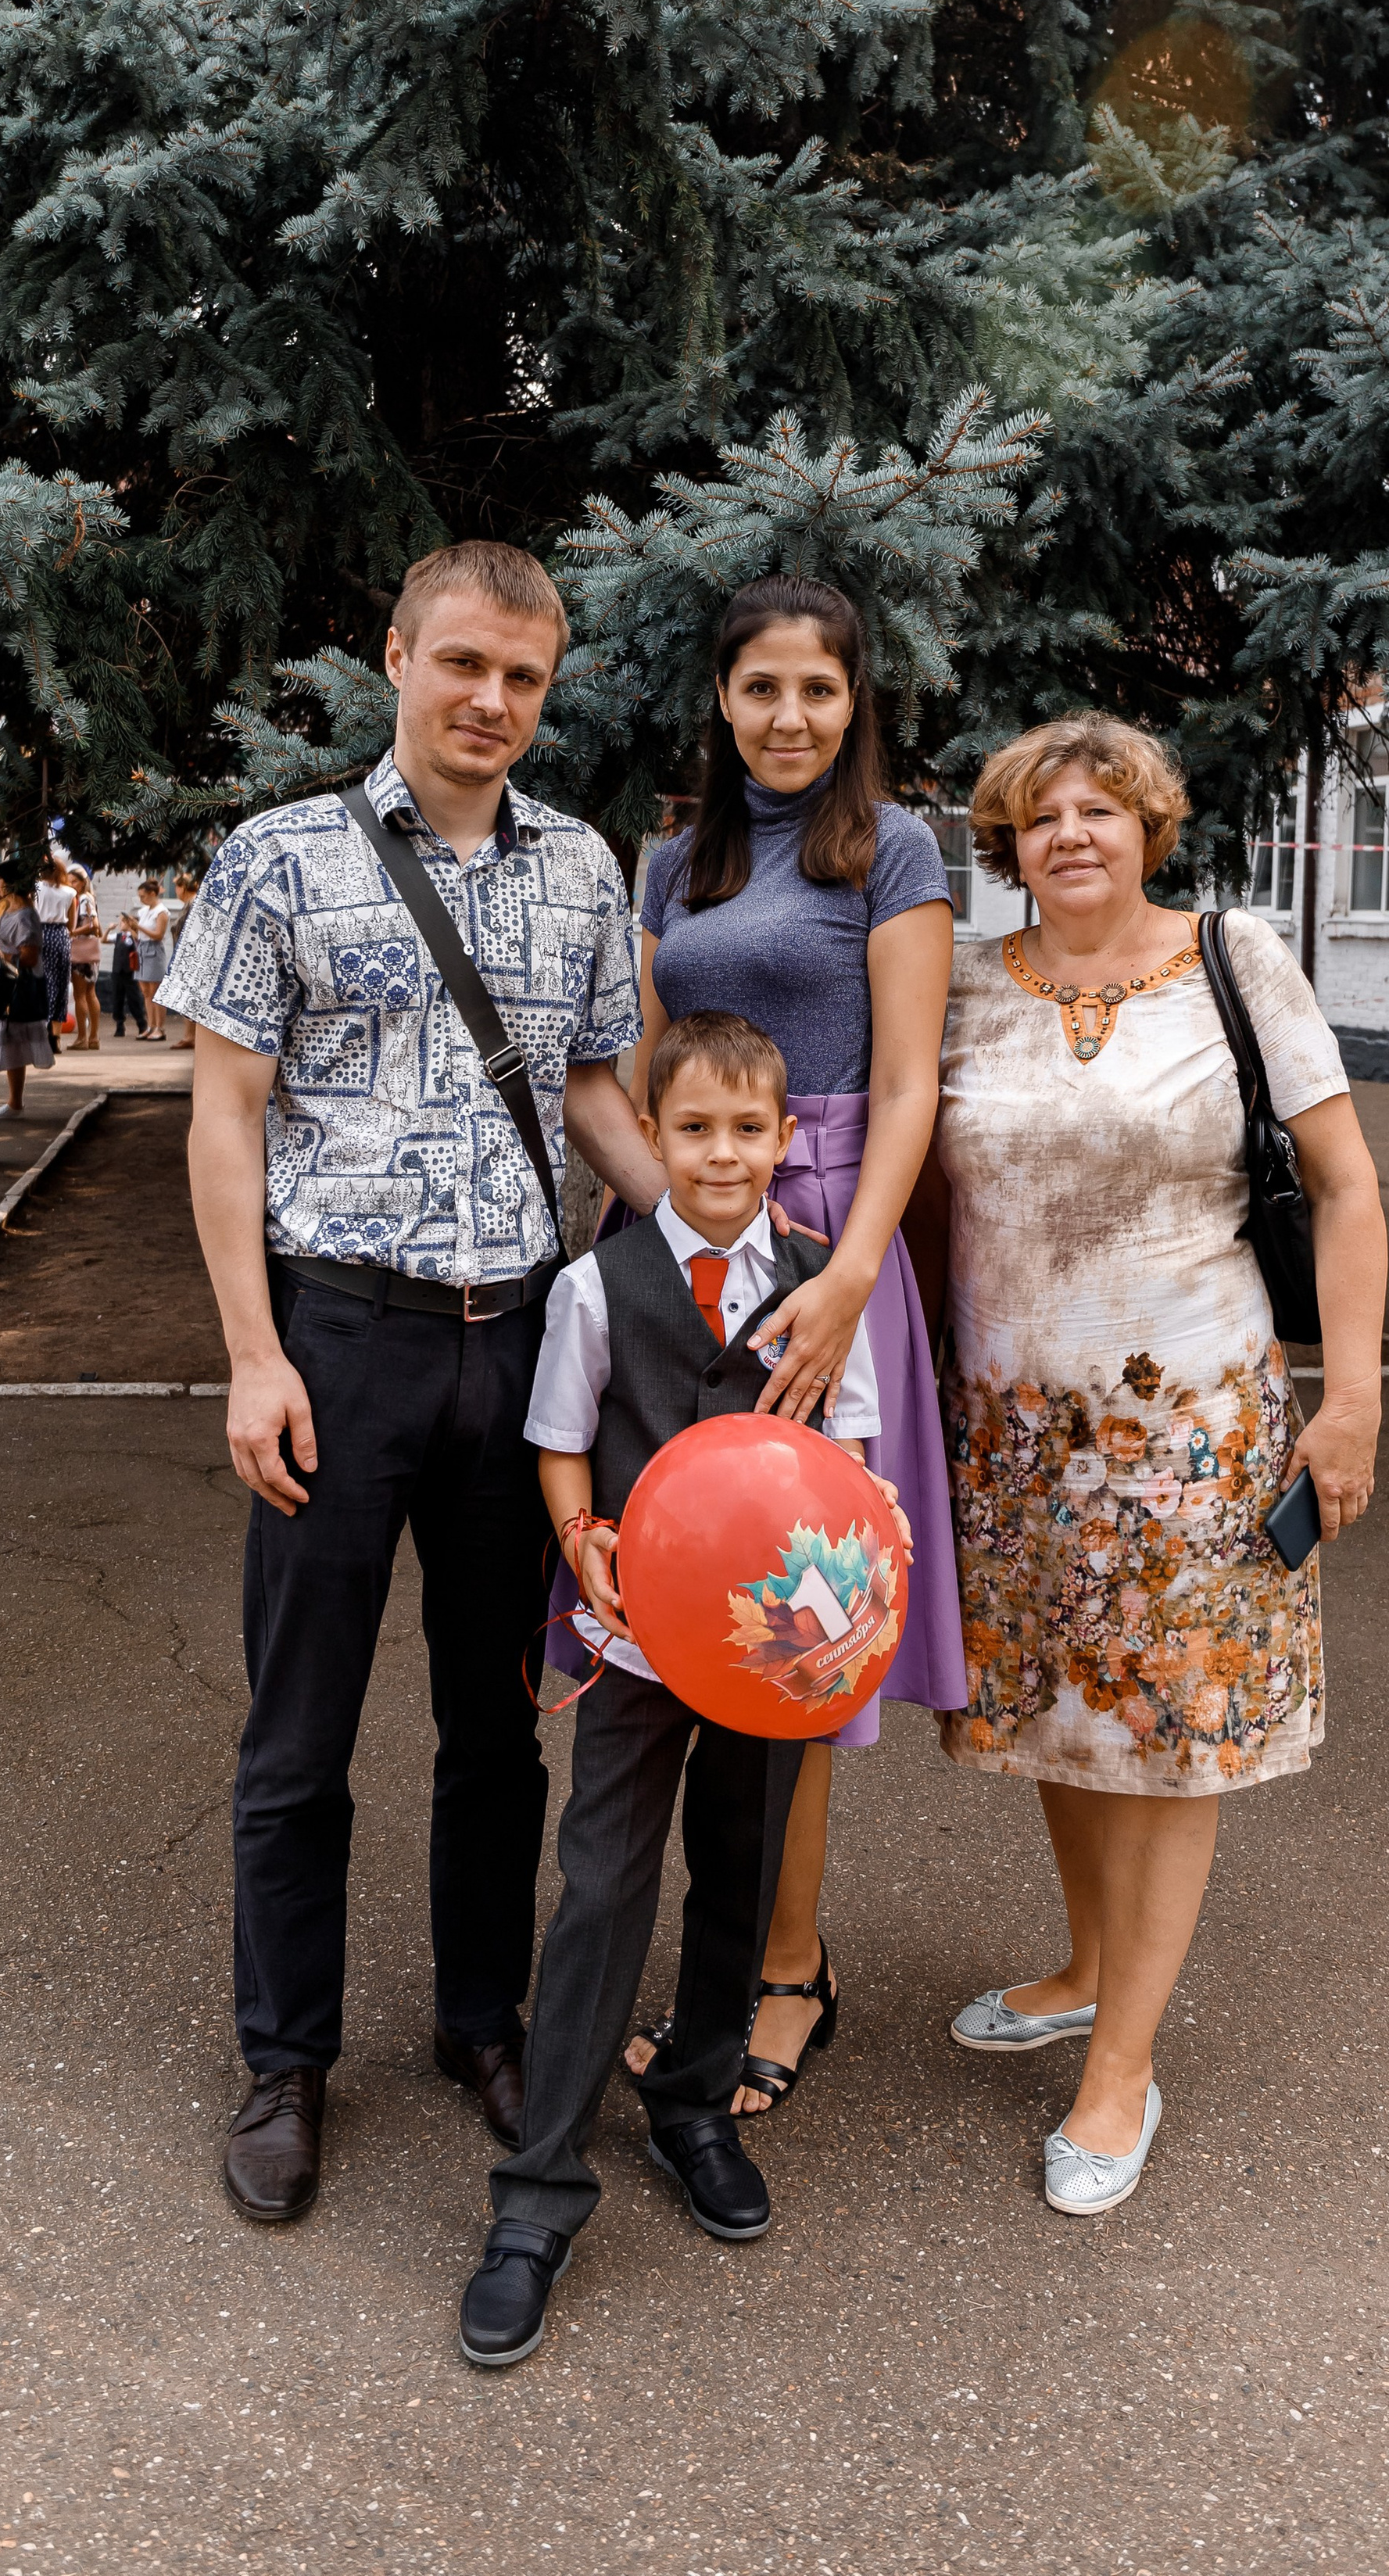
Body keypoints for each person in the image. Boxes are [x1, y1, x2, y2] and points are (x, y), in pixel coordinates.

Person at [165, 538, 662, 2226]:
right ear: (397, 657)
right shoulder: (277, 859)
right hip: (338, 1341)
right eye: (463, 663)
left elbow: (589, 1094)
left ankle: (480, 2022)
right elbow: (225, 1117)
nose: (491, 700)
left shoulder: (582, 867)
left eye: (523, 676)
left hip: (515, 1349)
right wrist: (252, 1357)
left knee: (494, 1730)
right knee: (298, 1730)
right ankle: (284, 2060)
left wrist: (725, 1252)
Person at [930, 716, 1387, 2216]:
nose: (1072, 833)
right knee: (1057, 1714)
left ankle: (1123, 2065)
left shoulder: (1235, 961)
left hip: (1195, 1434)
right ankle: (1083, 1970)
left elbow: (1346, 1187)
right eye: (1043, 814)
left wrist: (1353, 1400)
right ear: (1009, 841)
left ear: (1150, 829)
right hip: (1009, 1439)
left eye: (1102, 809)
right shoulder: (965, 987)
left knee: (1175, 1734)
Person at [461, 1009, 901, 2368]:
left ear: (785, 1138)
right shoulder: (601, 1287)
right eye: (695, 1129)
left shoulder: (822, 1282)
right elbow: (559, 1439)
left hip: (773, 1651)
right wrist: (582, 1537)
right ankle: (539, 2193)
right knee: (604, 1883)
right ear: (652, 1137)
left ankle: (695, 2102)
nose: (722, 1154)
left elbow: (854, 1461)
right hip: (642, 1645)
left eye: (748, 1129)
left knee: (741, 1867)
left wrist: (862, 1567)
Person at [621, 571, 963, 2112]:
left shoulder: (893, 850)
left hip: (828, 1254)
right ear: (721, 697)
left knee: (795, 1619)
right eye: (760, 686)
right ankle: (714, 1957)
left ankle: (785, 1968)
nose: (788, 716)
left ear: (854, 701)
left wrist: (850, 1272)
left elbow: (909, 1083)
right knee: (684, 1599)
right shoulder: (672, 865)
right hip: (684, 1239)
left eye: (818, 689)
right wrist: (657, 1249)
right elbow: (649, 1075)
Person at [0, 860, 55, 1115]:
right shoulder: (7, 911)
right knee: (10, 1042)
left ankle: (15, 1102)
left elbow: (29, 957)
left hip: (18, 986)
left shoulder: (25, 915)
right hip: (5, 981)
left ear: (8, 884)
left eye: (1, 880)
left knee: (13, 1041)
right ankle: (14, 1102)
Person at [34, 854, 73, 1041]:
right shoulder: (70, 893)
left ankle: (41, 1029)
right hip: (60, 935)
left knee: (41, 981)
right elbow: (71, 925)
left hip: (40, 933)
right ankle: (56, 1037)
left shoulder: (35, 888)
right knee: (61, 983)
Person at [66, 869, 102, 1050]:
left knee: (80, 994)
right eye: (69, 881)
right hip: (92, 952)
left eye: (74, 881)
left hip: (81, 951)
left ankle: (82, 1038)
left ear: (82, 882)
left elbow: (92, 925)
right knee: (90, 993)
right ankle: (94, 1037)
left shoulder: (83, 899)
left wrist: (71, 932)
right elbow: (98, 928)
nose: (71, 884)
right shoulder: (90, 898)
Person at [163, 872, 201, 1048]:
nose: (175, 890)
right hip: (186, 956)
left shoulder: (193, 903)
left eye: (177, 886)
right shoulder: (190, 903)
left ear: (184, 887)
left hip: (190, 957)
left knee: (189, 996)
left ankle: (190, 1036)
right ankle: (190, 1035)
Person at [133, 880, 171, 1038]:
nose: (141, 900)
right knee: (146, 991)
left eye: (143, 896)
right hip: (142, 948)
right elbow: (140, 935)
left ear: (153, 894)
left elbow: (158, 935)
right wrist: (131, 928)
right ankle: (151, 1025)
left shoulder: (161, 912)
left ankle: (160, 1028)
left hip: (154, 950)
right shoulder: (143, 911)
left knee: (156, 990)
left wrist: (138, 926)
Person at [106, 908, 145, 1037]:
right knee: (117, 999)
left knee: (134, 999)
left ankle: (141, 1023)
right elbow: (103, 939)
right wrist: (109, 929)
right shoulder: (118, 937)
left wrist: (132, 925)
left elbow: (137, 938)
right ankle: (119, 1025)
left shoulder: (134, 936)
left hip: (130, 972)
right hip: (118, 971)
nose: (120, 924)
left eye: (123, 922)